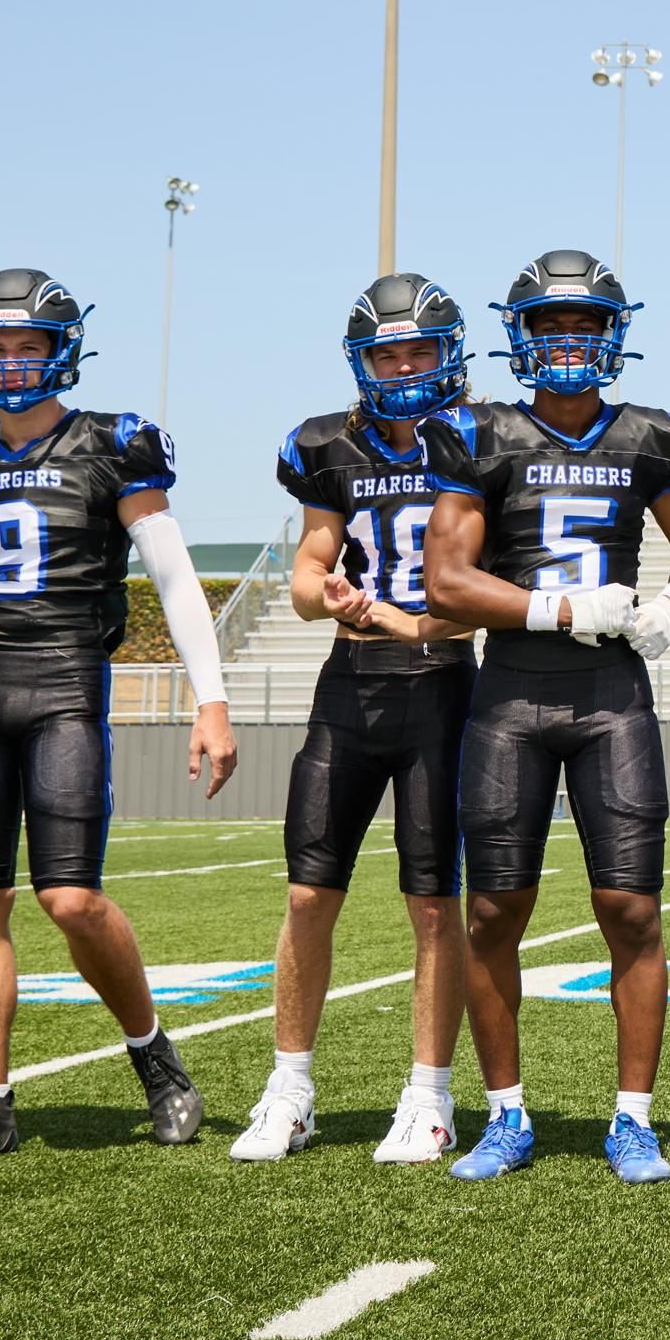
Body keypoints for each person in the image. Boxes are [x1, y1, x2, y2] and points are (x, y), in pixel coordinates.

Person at [0, 268, 237, 1168]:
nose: (10, 362)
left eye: (27, 345)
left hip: (66, 681)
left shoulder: (113, 443)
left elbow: (174, 575)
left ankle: (154, 1055)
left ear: (62, 351)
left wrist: (211, 698)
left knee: (69, 897)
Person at [419, 250, 670, 1185]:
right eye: (550, 327)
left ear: (615, 335)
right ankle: (506, 1114)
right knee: (493, 910)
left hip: (611, 695)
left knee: (631, 908)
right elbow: (446, 581)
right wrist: (558, 608)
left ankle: (634, 1119)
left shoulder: (653, 435)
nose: (568, 343)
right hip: (510, 691)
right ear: (519, 337)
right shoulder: (478, 432)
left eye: (585, 326)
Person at [232, 274, 480, 1165]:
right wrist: (325, 596)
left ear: (449, 352)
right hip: (349, 682)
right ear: (361, 362)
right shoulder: (327, 444)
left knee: (433, 903)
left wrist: (414, 621)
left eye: (418, 350)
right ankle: (290, 1088)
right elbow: (309, 566)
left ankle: (430, 1095)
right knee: (308, 891)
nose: (403, 366)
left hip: (443, 682)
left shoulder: (481, 438)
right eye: (387, 353)